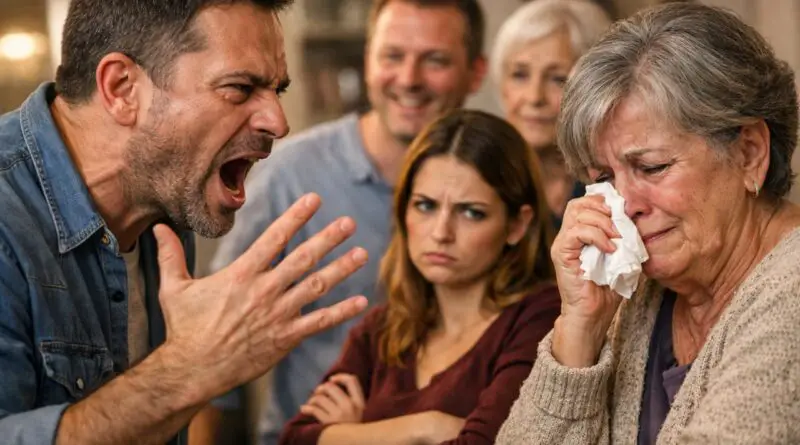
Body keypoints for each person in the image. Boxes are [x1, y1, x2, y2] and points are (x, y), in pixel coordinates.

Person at [0, 1, 371, 444]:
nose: (278, 122)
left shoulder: (165, 201)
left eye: (278, 90)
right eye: (239, 88)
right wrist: (188, 370)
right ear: (122, 89)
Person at [495, 3, 800, 444]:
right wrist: (580, 326)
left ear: (749, 153)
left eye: (653, 167)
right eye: (604, 178)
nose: (626, 205)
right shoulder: (638, 293)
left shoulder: (791, 293)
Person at [205, 0, 487, 442]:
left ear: (476, 72)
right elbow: (215, 349)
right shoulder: (291, 176)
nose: (409, 79)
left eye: (435, 60)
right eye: (392, 56)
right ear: (368, 60)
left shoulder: (496, 181)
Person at [279, 109, 561, 445]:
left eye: (471, 212)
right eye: (425, 206)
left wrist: (353, 434)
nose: (441, 233)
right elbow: (294, 439)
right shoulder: (380, 330)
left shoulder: (541, 319)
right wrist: (427, 427)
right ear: (403, 209)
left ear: (517, 225)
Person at [491, 0, 610, 227]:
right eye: (520, 75)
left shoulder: (614, 185)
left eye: (557, 79)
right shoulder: (480, 177)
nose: (535, 97)